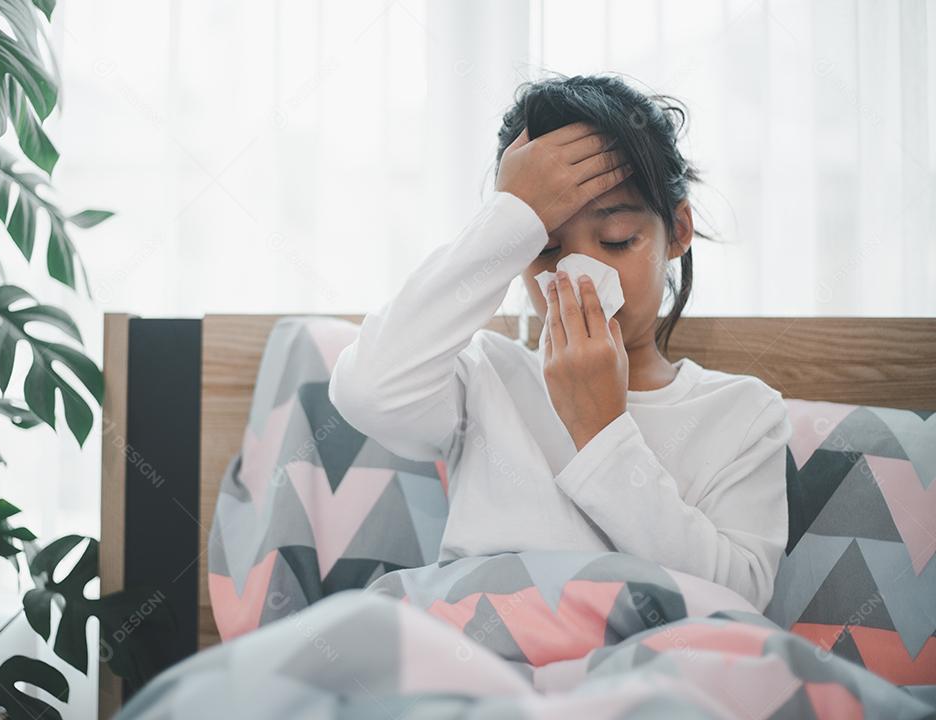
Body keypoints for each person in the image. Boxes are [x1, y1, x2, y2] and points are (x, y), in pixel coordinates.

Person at [327, 73, 791, 613]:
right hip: (477, 661)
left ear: (678, 232)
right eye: (545, 247)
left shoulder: (742, 413)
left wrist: (601, 433)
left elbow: (737, 604)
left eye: (617, 240)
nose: (580, 273)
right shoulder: (485, 376)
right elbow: (367, 389)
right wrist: (511, 217)